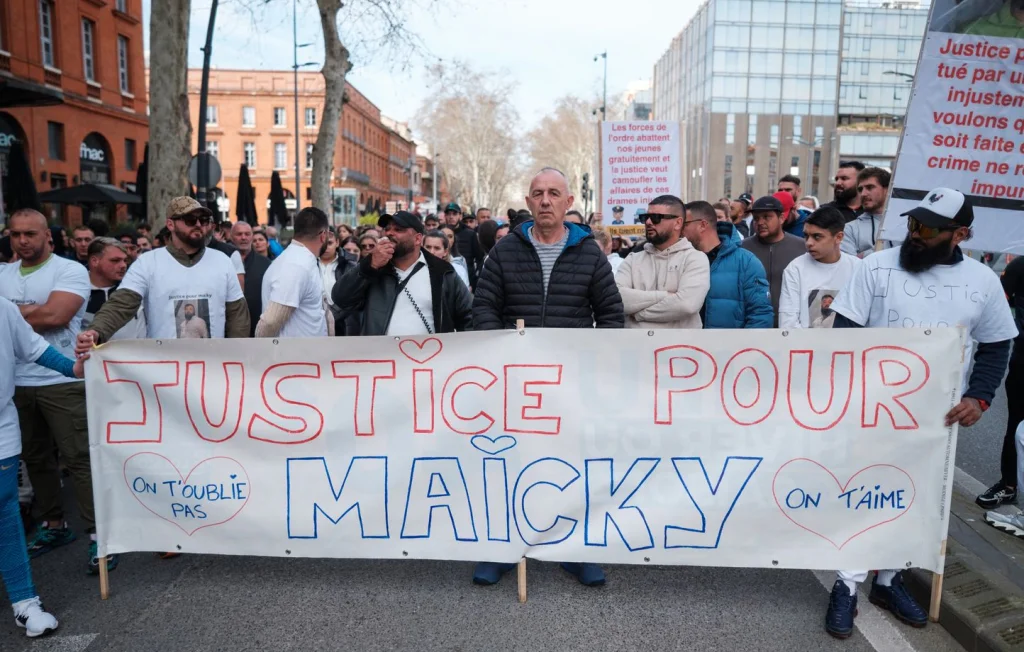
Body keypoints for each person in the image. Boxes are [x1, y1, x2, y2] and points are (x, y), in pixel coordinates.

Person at [826, 188, 1017, 639]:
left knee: (914, 501)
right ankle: (846, 584)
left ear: (960, 234)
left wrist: (980, 398)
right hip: (873, 410)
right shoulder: (876, 267)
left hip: (938, 418)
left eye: (928, 229)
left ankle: (889, 580)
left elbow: (996, 345)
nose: (914, 234)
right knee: (865, 495)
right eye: (913, 223)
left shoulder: (982, 281)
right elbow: (844, 334)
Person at [472, 168, 622, 588]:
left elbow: (610, 316)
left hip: (571, 383)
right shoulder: (505, 251)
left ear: (568, 201)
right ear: (528, 201)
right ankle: (504, 548)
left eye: (554, 193)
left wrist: (593, 365)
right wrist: (501, 353)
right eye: (537, 193)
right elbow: (484, 308)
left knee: (572, 464)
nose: (545, 201)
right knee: (511, 463)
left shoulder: (589, 253)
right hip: (514, 380)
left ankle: (574, 550)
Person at [0, 209, 108, 573]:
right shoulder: (3, 274)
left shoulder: (69, 270)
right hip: (17, 382)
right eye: (15, 234)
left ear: (48, 235)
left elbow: (56, 317)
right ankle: (54, 525)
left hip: (62, 379)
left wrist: (10, 313)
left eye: (30, 233)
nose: (22, 241)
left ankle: (100, 536)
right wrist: (31, 310)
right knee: (36, 459)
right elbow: (40, 315)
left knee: (80, 459)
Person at [1, 295, 89, 638]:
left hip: (2, 429)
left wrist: (72, 368)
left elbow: (34, 348)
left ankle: (25, 603)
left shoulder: (3, 308)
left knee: (5, 513)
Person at [77, 197, 250, 349]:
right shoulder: (147, 262)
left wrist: (237, 355)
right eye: (190, 220)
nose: (198, 225)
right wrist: (96, 331)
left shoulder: (222, 261)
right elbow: (121, 304)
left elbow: (237, 314)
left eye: (204, 220)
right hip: (164, 366)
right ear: (170, 224)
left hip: (211, 364)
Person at [333, 211, 472, 336]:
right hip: (381, 354)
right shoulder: (373, 269)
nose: (389, 233)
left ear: (417, 239)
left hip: (429, 354)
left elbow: (468, 316)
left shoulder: (442, 272)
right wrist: (369, 266)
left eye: (398, 229)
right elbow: (341, 299)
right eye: (387, 229)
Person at [616, 195, 710, 329]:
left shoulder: (695, 259)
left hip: (680, 342)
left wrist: (639, 314)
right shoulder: (632, 259)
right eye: (645, 217)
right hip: (636, 341)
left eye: (656, 218)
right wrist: (664, 296)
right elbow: (617, 299)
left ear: (678, 223)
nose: (648, 222)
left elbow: (686, 305)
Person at [977, 253, 1024, 509]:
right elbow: (997, 306)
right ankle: (1009, 485)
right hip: (1022, 363)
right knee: (1017, 427)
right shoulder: (1020, 266)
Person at [682, 201, 773, 329]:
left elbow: (760, 314)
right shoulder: (681, 259)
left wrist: (746, 342)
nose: (679, 229)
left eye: (685, 224)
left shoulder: (746, 262)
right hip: (686, 340)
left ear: (702, 225)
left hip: (731, 342)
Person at [778, 206, 862, 330]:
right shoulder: (795, 269)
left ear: (838, 237)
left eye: (817, 236)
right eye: (806, 236)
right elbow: (788, 324)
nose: (809, 243)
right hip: (804, 342)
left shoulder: (858, 268)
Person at [257, 207, 331, 338]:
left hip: (305, 349)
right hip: (293, 350)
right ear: (323, 235)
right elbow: (270, 322)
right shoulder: (296, 265)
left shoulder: (301, 260)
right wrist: (262, 349)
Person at [740, 195, 806, 325]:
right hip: (753, 324)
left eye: (766, 217)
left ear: (781, 218)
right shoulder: (742, 249)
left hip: (791, 325)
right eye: (756, 218)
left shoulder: (801, 247)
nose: (760, 222)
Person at [82, 238, 146, 340]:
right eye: (115, 260)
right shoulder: (76, 293)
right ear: (94, 261)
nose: (123, 265)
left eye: (125, 260)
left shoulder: (135, 289)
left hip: (136, 349)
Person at [842, 167, 893, 258]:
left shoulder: (905, 224)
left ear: (887, 189)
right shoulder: (850, 229)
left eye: (870, 187)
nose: (863, 194)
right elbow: (849, 264)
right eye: (860, 189)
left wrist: (863, 255)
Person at [444, 202, 484, 288]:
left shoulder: (470, 234)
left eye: (454, 214)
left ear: (460, 216)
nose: (451, 217)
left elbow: (479, 258)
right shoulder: (440, 232)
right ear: (445, 216)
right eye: (448, 214)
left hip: (467, 280)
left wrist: (474, 280)